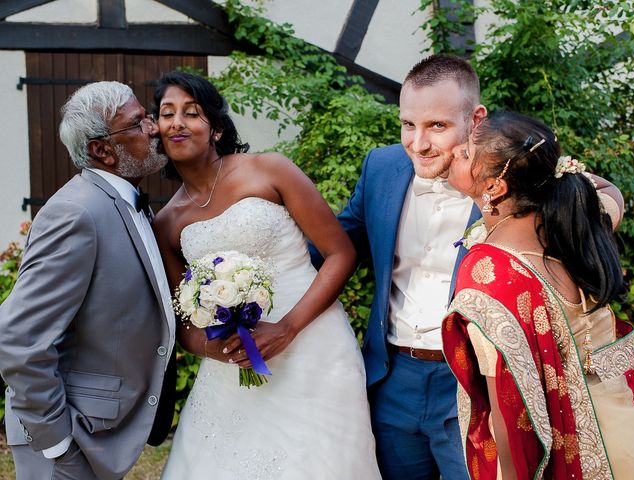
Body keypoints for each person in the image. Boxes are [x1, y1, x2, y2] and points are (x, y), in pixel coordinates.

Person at [151, 71, 381, 479]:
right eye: (167, 114)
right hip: (233, 368)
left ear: (217, 128)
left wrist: (287, 328)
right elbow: (183, 324)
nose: (177, 122)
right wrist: (222, 350)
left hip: (315, 347)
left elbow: (340, 253)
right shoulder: (167, 221)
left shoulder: (269, 170)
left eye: (192, 112)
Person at [311, 54, 485, 478]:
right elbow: (333, 245)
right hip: (392, 378)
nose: (418, 143)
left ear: (475, 120)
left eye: (437, 126)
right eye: (409, 124)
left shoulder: (510, 176)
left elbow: (587, 205)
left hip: (473, 383)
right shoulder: (382, 167)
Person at [443, 110, 634, 479]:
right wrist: (546, 170)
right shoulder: (576, 222)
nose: (454, 151)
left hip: (572, 450)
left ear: (494, 187)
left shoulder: (489, 275)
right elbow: (612, 194)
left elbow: (505, 402)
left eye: (467, 153)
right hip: (622, 418)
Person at [0, 81, 176, 479]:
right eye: (138, 123)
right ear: (102, 150)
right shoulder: (76, 213)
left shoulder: (128, 203)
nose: (153, 128)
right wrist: (56, 441)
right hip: (69, 442)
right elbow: (19, 337)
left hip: (98, 432)